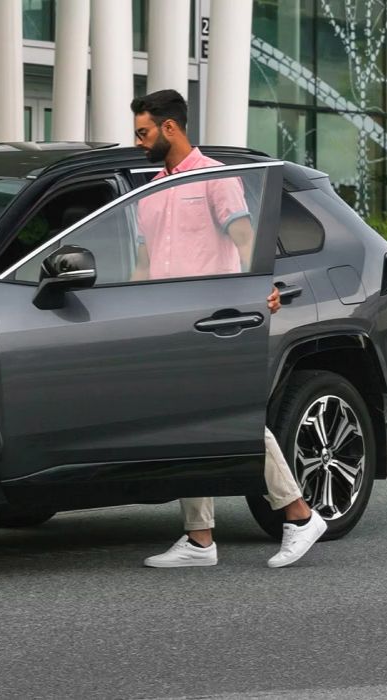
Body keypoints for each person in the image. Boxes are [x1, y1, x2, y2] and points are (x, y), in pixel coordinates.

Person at [126, 89, 328, 569]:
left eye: (143, 132)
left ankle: (300, 516)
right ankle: (200, 540)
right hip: (168, 325)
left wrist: (261, 288)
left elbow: (243, 238)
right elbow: (143, 262)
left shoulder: (215, 178)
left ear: (170, 128)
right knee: (186, 426)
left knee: (233, 422)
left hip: (214, 322)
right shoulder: (148, 192)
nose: (138, 142)